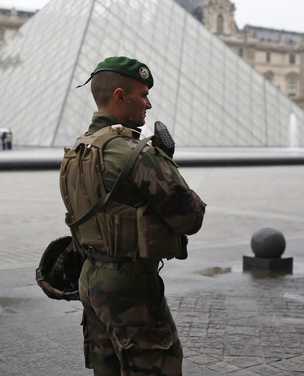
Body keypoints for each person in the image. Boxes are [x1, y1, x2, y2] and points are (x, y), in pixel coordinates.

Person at [59, 56, 206, 375]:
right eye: (143, 95)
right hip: (131, 286)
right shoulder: (134, 153)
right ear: (119, 96)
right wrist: (166, 163)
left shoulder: (78, 150)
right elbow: (190, 217)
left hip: (92, 277)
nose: (149, 104)